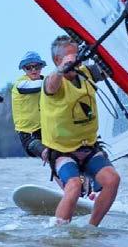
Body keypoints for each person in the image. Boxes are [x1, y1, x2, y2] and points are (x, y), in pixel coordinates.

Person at [40, 35, 120, 226]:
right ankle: (59, 233)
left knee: (112, 180)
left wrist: (96, 49)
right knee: (74, 186)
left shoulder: (87, 73)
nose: (76, 61)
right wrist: (62, 69)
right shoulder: (53, 82)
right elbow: (51, 84)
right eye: (70, 57)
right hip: (62, 152)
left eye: (78, 56)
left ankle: (91, 229)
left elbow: (111, 67)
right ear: (57, 60)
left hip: (89, 148)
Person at [10, 51, 48, 160]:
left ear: (41, 67)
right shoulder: (20, 84)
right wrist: (60, 78)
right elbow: (41, 85)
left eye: (37, 66)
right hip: (29, 135)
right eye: (29, 67)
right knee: (48, 154)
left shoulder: (47, 81)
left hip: (47, 131)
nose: (33, 70)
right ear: (24, 69)